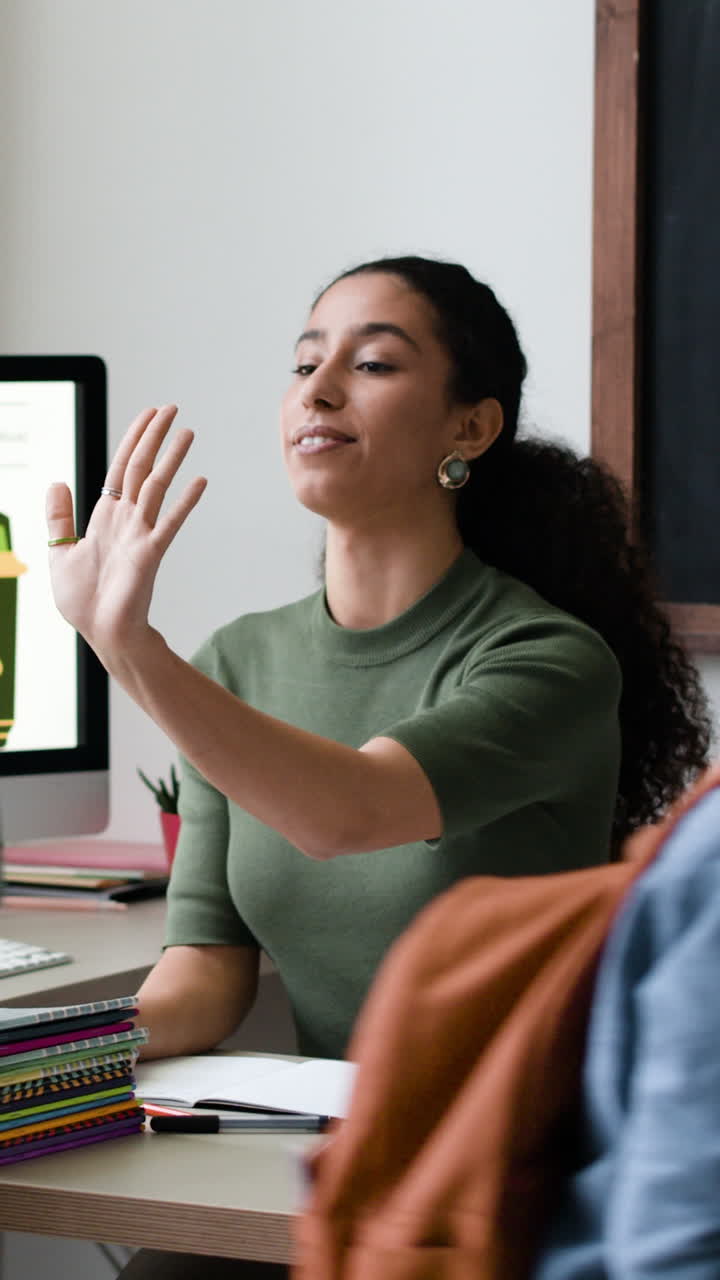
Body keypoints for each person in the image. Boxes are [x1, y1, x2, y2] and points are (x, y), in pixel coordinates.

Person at [45, 256, 710, 1279]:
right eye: (305, 362)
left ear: (470, 428)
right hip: (323, 1153)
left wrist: (127, 646)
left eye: (373, 364)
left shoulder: (549, 661)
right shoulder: (237, 662)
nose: (317, 390)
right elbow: (207, 970)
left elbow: (347, 812)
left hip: (498, 1176)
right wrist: (52, 1055)